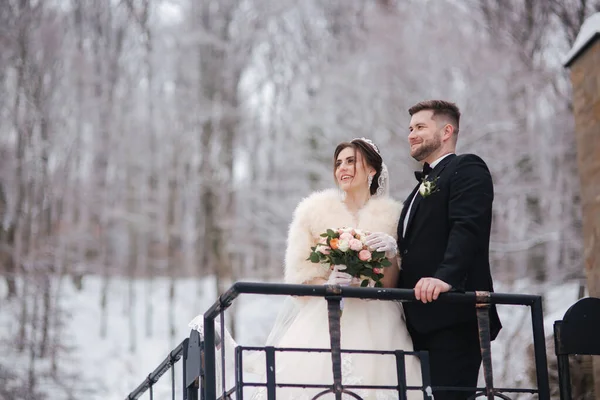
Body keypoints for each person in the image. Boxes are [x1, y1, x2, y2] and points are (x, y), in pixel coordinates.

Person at [190, 138, 423, 400]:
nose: (342, 168)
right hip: (324, 319)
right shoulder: (314, 212)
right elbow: (298, 282)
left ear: (372, 170)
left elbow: (391, 286)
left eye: (351, 161)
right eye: (338, 163)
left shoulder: (393, 216)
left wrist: (391, 252)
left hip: (381, 322)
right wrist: (328, 283)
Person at [371, 100, 502, 400]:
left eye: (420, 127)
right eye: (410, 129)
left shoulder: (467, 167)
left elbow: (468, 227)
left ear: (446, 131)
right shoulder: (419, 188)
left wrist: (446, 277)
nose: (411, 135)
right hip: (417, 322)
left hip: (453, 318)